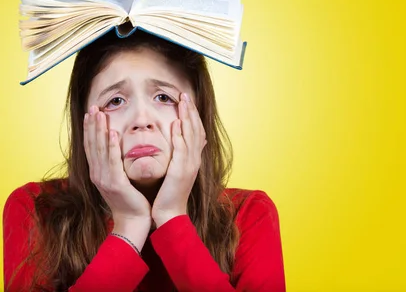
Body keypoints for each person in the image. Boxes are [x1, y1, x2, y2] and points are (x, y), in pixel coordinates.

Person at [2, 27, 286, 291]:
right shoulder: (34, 209)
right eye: (115, 101)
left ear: (198, 115)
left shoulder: (249, 214)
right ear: (84, 123)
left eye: (163, 97)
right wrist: (129, 224)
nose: (141, 120)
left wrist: (173, 217)